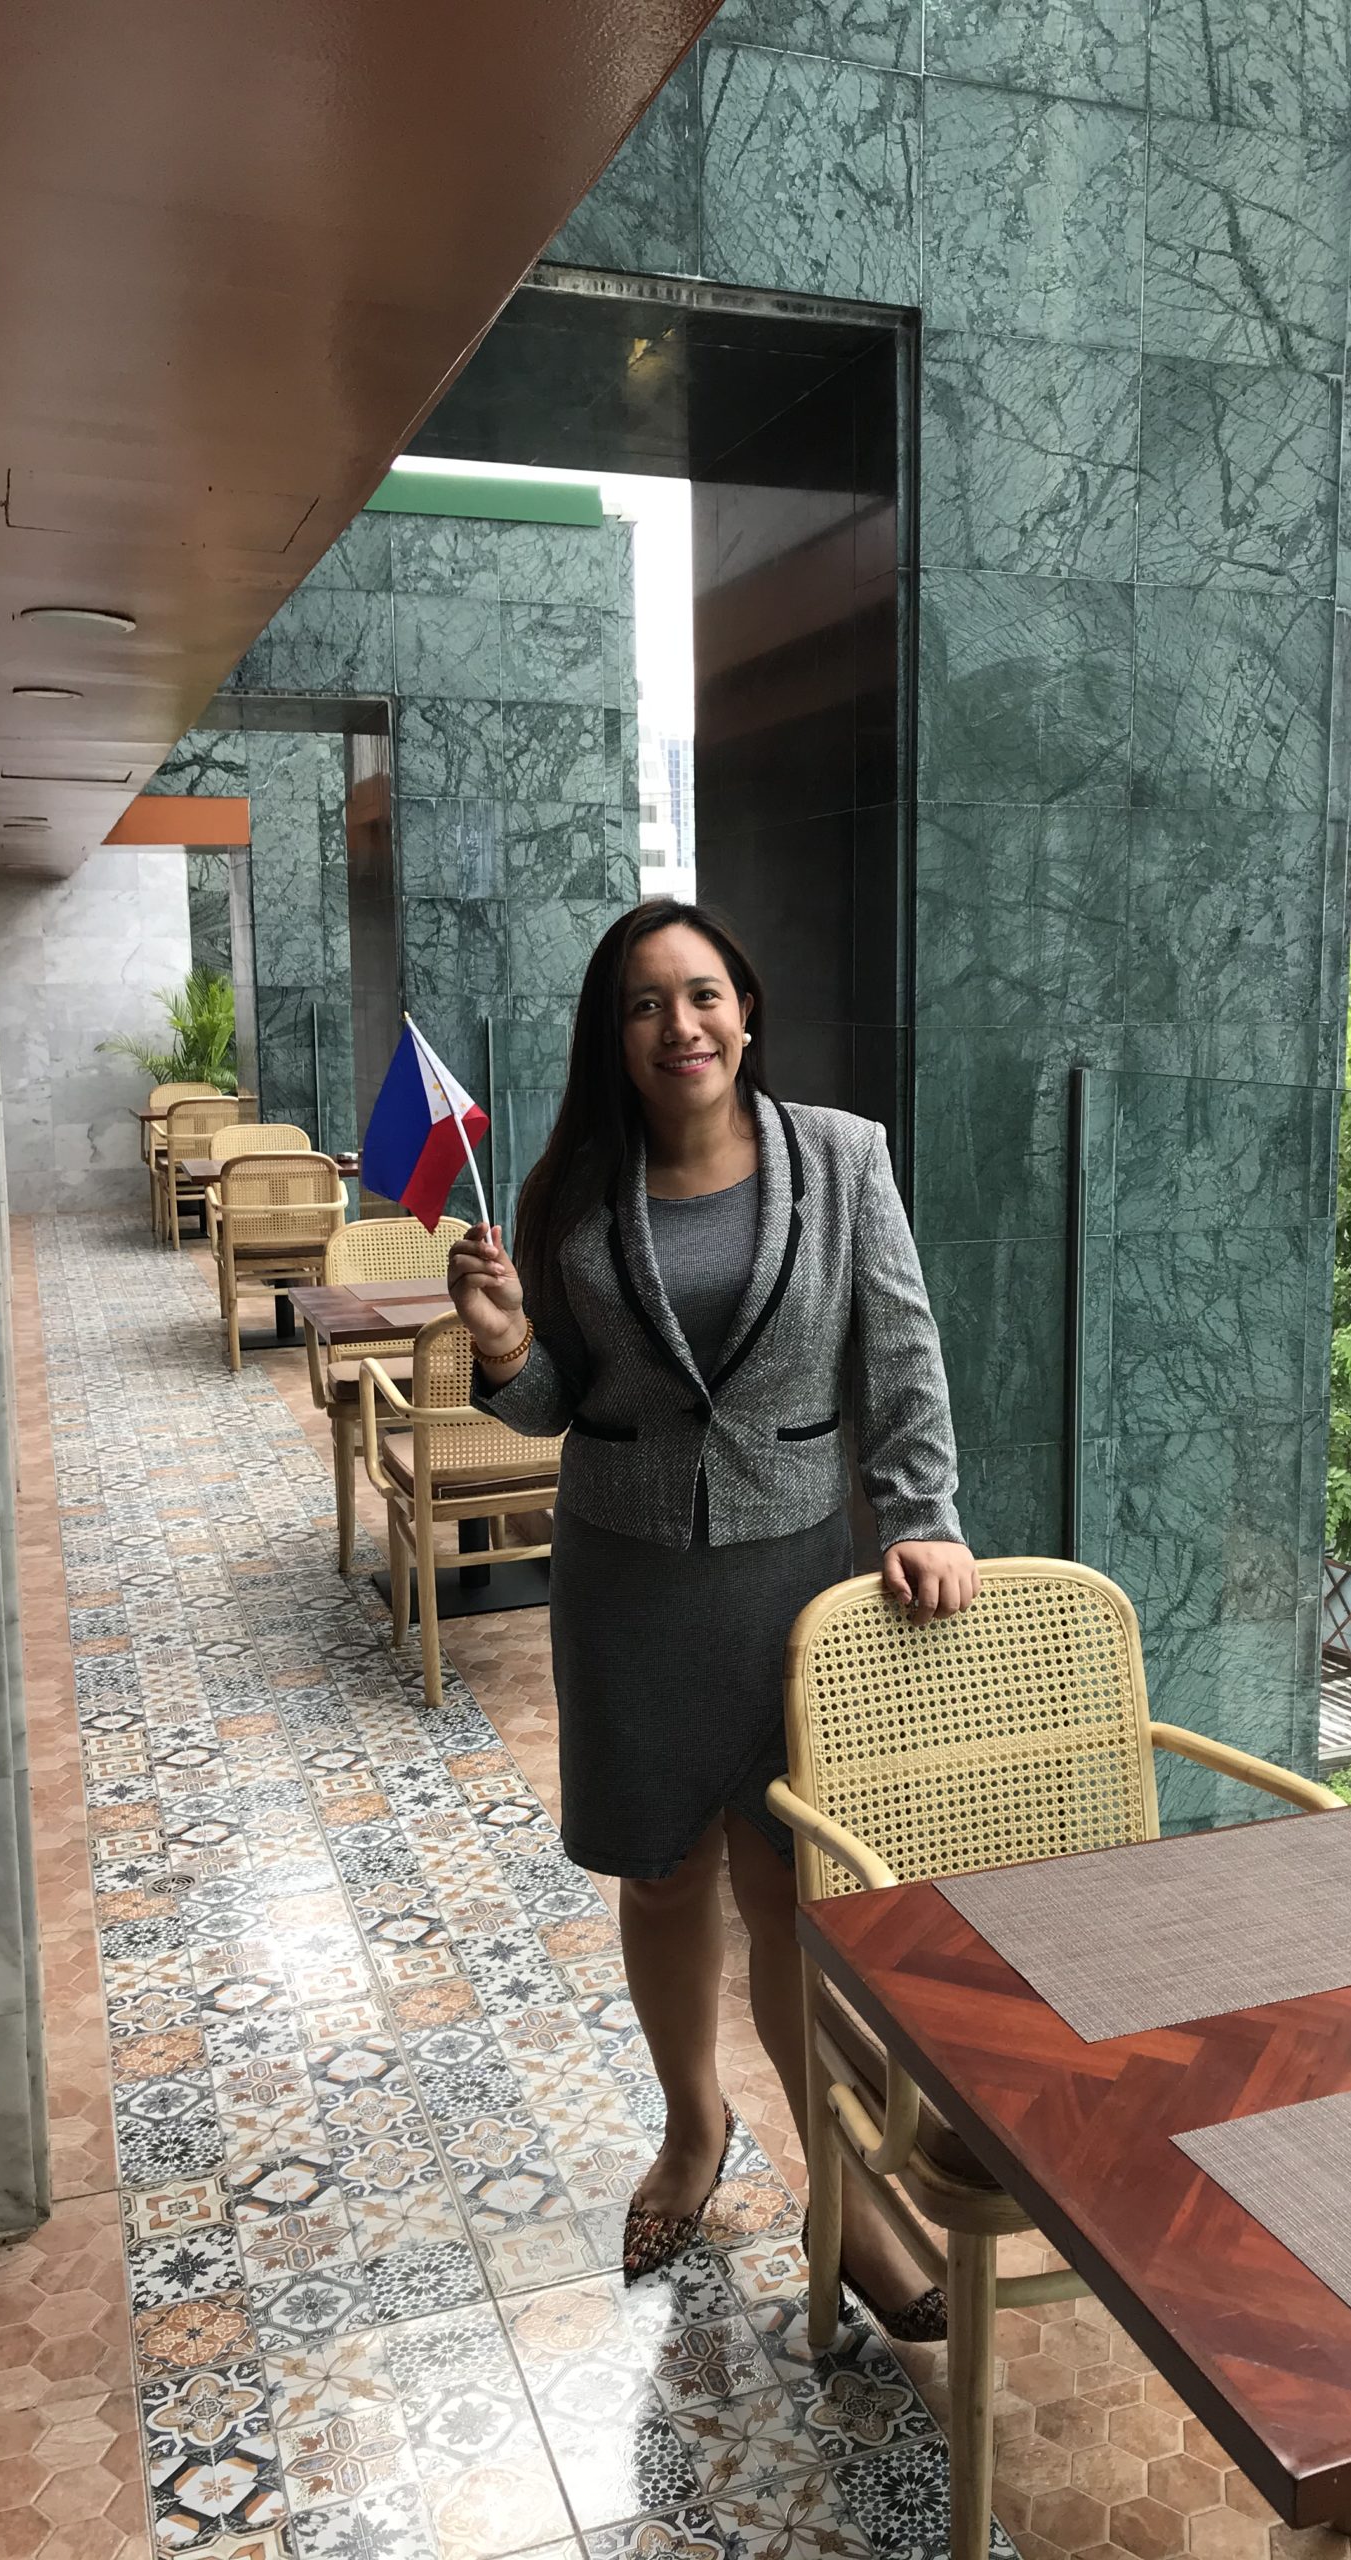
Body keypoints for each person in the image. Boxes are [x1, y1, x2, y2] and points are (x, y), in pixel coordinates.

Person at [446, 897, 977, 2333]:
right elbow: (555, 1405)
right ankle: (694, 2128)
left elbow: (901, 1349)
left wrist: (921, 1515)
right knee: (664, 1875)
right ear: (611, 1036)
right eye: (644, 1003)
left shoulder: (843, 1157)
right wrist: (502, 1345)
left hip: (793, 1585)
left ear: (745, 1013)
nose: (678, 1025)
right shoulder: (565, 1189)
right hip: (625, 1585)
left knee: (791, 1892)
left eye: (701, 995)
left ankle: (842, 2195)